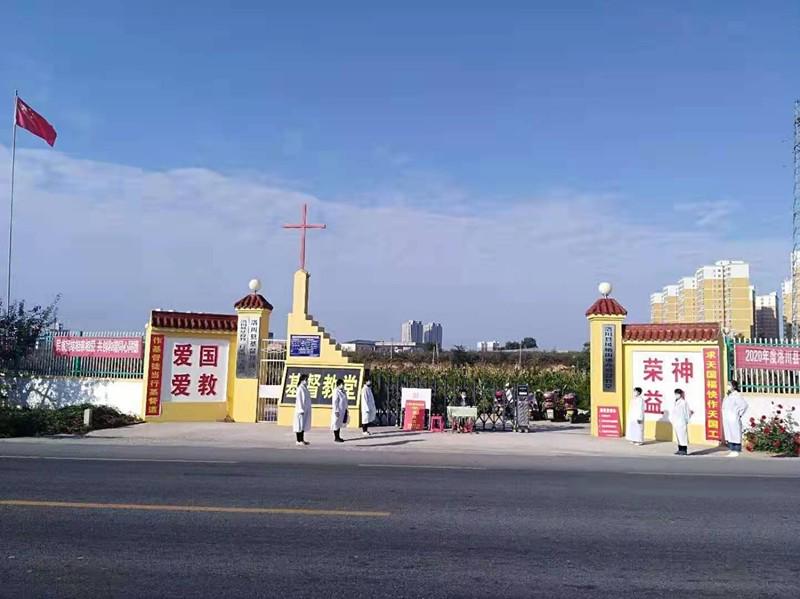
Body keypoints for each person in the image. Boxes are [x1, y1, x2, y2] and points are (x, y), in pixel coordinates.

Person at [722, 380, 748, 457]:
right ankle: (732, 449)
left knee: (735, 434)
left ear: (734, 386)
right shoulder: (728, 395)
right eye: (727, 384)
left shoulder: (737, 395)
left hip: (734, 418)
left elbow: (744, 405)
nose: (728, 386)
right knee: (730, 434)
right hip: (728, 418)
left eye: (729, 385)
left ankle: (736, 449)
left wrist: (739, 414)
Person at [669, 388, 693, 456]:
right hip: (676, 422)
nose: (676, 395)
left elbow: (687, 412)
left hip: (682, 421)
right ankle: (679, 449)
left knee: (683, 437)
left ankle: (684, 450)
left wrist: (687, 420)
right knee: (678, 437)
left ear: (681, 394)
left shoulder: (684, 402)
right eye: (676, 393)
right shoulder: (675, 402)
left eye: (678, 393)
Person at [293, 374, 312, 446]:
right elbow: (299, 400)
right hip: (300, 410)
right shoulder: (300, 388)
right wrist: (301, 409)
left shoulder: (305, 388)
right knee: (299, 425)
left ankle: (302, 439)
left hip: (305, 409)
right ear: (302, 380)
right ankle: (298, 440)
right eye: (306, 380)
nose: (307, 381)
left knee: (303, 425)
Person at [330, 378, 348, 443]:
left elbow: (345, 401)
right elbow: (335, 402)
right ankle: (336, 437)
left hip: (342, 410)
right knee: (336, 424)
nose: (343, 385)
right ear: (338, 384)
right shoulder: (336, 391)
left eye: (343, 384)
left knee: (339, 424)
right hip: (337, 411)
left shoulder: (343, 391)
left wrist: (346, 409)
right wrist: (336, 410)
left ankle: (338, 437)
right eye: (342, 384)